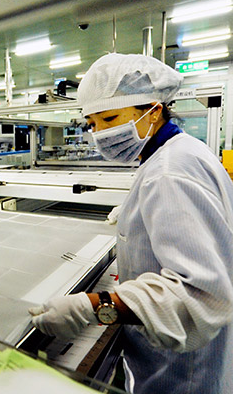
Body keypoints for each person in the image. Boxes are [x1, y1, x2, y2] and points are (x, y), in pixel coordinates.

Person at [28, 54, 233, 394]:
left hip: (183, 375)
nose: (101, 133)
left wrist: (92, 307)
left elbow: (200, 297)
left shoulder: (169, 172)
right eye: (93, 123)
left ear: (153, 110)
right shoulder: (181, 152)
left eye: (110, 117)